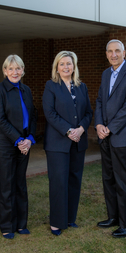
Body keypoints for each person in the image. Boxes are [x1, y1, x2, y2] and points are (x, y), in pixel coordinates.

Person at [95, 39, 126, 238]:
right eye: (110, 51)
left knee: (124, 181)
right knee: (109, 179)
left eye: (117, 51)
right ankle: (113, 216)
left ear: (124, 52)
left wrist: (110, 128)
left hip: (122, 136)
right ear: (106, 54)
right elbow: (99, 101)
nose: (113, 54)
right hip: (105, 136)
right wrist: (98, 125)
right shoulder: (106, 74)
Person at [42, 51, 93, 236]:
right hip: (58, 144)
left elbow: (88, 112)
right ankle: (57, 222)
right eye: (62, 64)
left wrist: (81, 128)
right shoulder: (51, 86)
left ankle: (70, 218)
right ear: (57, 66)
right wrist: (69, 131)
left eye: (69, 64)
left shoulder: (81, 87)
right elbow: (49, 113)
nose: (66, 67)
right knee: (58, 182)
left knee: (74, 180)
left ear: (74, 66)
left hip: (78, 142)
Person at [0, 55, 37, 239]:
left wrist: (30, 139)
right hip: (6, 144)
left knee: (20, 184)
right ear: (4, 71)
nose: (15, 72)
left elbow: (33, 116)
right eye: (11, 69)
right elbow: (0, 120)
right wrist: (18, 140)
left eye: (18, 68)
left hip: (24, 144)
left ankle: (21, 224)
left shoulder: (27, 90)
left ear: (23, 70)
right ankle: (7, 225)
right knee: (7, 184)